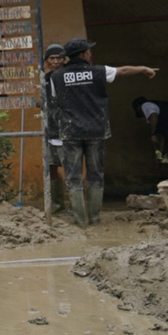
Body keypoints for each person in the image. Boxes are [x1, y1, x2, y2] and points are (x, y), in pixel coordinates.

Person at [47, 38, 158, 227]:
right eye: (88, 51)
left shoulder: (55, 77)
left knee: (73, 176)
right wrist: (143, 69)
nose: (90, 53)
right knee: (95, 174)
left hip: (70, 131)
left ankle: (80, 221)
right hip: (96, 130)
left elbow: (56, 102)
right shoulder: (97, 71)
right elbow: (122, 71)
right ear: (83, 54)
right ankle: (95, 218)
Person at [42, 44, 68, 213]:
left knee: (71, 169)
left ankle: (76, 207)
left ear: (64, 60)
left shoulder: (69, 77)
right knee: (51, 169)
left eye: (59, 58)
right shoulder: (44, 79)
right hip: (50, 130)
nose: (56, 61)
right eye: (52, 58)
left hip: (69, 131)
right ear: (47, 61)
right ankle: (57, 205)